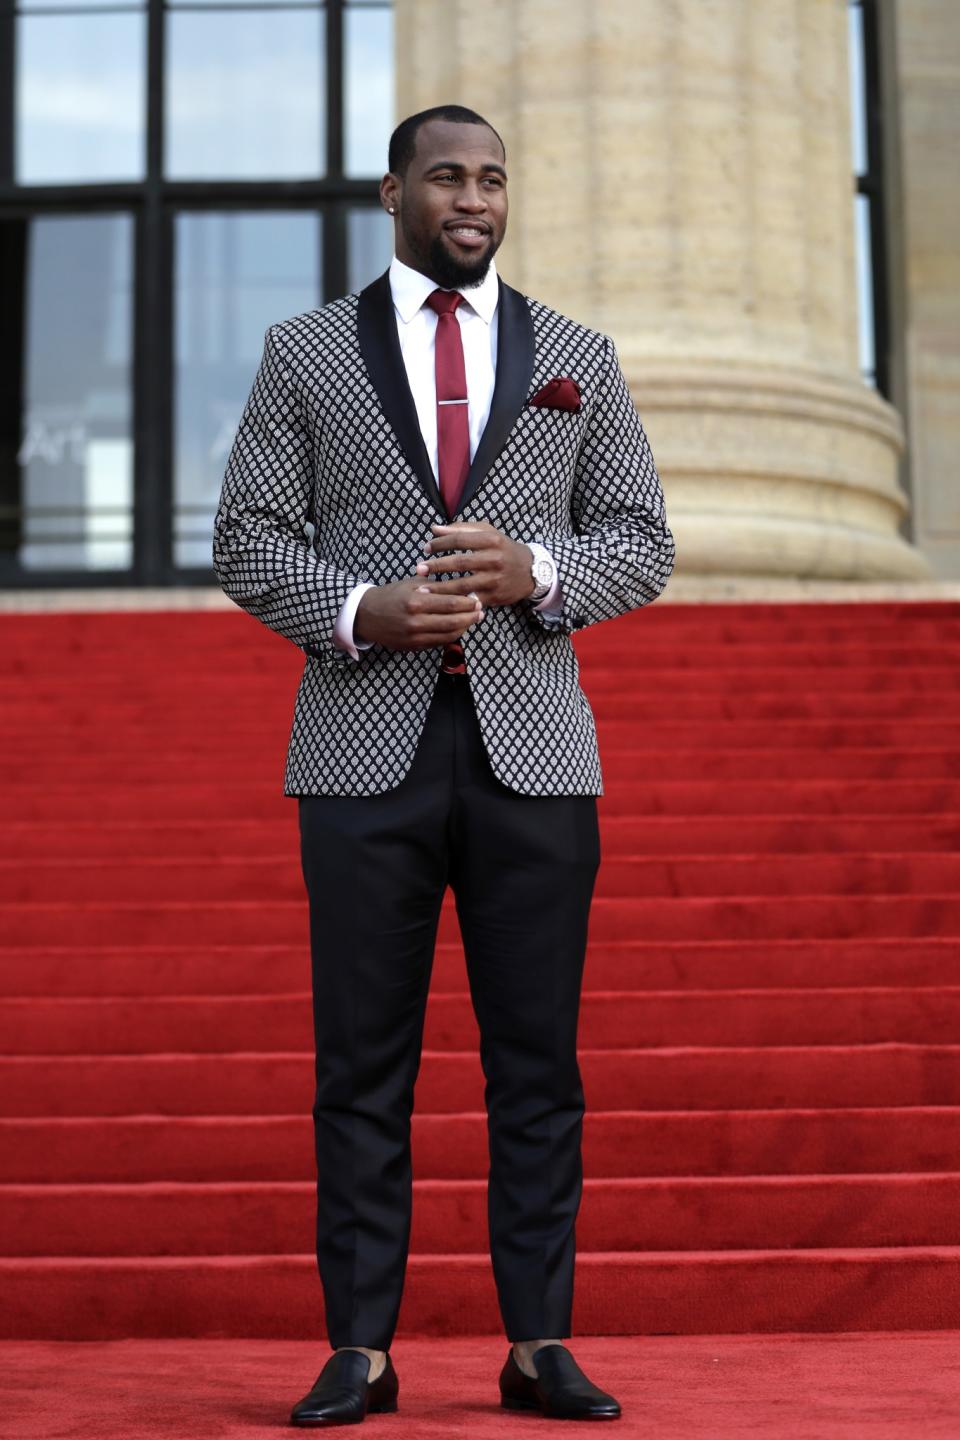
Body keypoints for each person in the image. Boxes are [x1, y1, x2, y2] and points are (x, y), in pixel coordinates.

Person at [213, 103, 674, 1427]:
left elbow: (640, 538)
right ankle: (359, 1347)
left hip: (539, 756)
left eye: (493, 180)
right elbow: (248, 537)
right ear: (394, 191)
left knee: (539, 1062)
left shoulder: (578, 355)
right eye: (448, 177)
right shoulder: (303, 352)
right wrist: (363, 610)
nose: (473, 199)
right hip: (364, 759)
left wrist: (546, 574)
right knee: (362, 1064)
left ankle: (538, 1344)